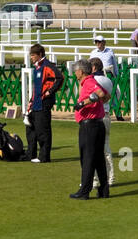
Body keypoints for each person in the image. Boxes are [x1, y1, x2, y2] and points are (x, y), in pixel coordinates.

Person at [69, 59, 109, 199]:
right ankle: (104, 190)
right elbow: (106, 96)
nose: (75, 73)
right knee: (98, 159)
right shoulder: (92, 81)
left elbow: (101, 94)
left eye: (76, 71)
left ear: (81, 71)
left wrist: (82, 104)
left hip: (90, 126)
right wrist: (95, 102)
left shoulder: (89, 82)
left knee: (87, 158)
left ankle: (84, 191)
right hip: (98, 124)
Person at [27, 44, 61, 163]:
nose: (31, 57)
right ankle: (31, 154)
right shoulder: (37, 67)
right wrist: (30, 101)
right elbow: (37, 87)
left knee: (43, 130)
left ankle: (44, 157)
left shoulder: (47, 65)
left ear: (40, 55)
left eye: (33, 55)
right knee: (30, 129)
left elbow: (60, 78)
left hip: (44, 103)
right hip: (35, 102)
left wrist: (50, 92)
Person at [89, 58, 116, 185]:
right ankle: (110, 177)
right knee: (106, 147)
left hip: (95, 115)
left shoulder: (92, 80)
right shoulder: (108, 80)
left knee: (92, 148)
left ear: (94, 67)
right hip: (106, 115)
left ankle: (94, 179)